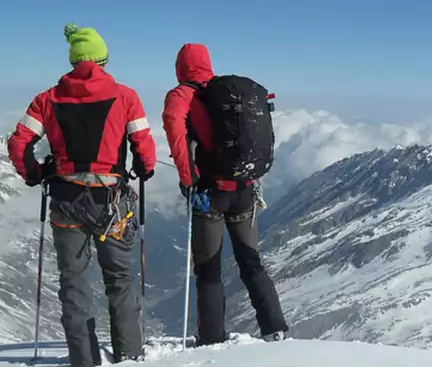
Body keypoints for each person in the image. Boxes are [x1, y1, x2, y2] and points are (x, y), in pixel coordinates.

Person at [7, 24, 156, 367]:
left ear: (73, 61)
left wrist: (34, 174)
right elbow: (143, 145)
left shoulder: (47, 99)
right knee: (119, 280)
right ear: (103, 59)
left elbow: (19, 143)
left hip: (65, 200)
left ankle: (84, 361)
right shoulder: (125, 95)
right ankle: (129, 357)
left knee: (73, 286)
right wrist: (144, 169)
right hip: (111, 202)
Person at [161, 43, 288, 346]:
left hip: (210, 193)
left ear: (181, 66)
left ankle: (212, 339)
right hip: (245, 189)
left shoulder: (182, 96)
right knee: (251, 261)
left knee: (209, 268)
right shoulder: (231, 94)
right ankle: (275, 329)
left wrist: (187, 178)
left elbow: (175, 133)